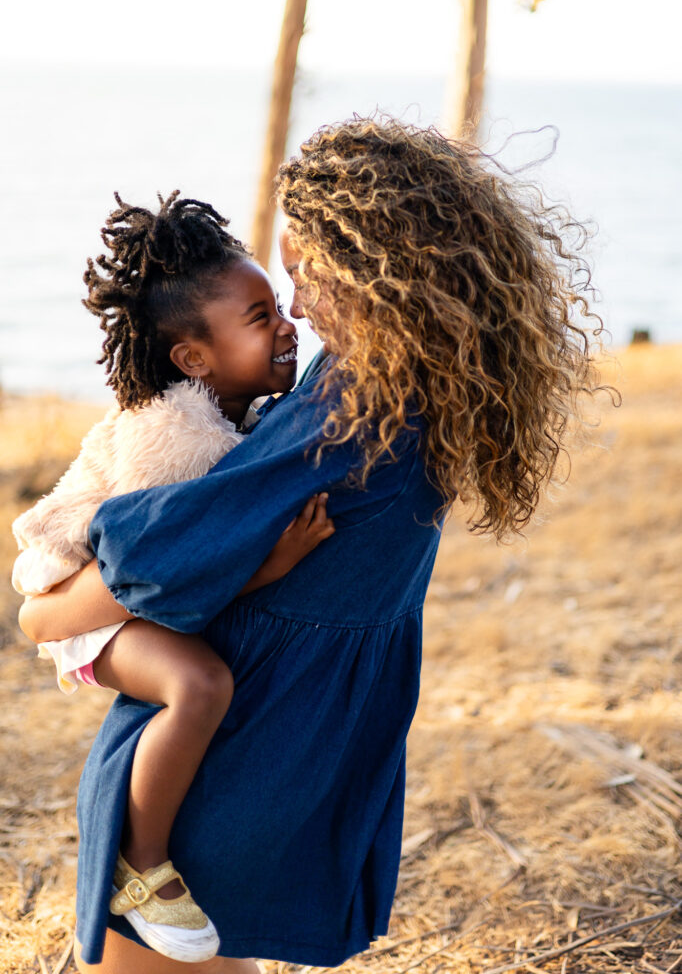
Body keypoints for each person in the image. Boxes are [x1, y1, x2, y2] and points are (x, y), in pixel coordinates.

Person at [19, 117, 609, 974]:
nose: (298, 307)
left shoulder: (345, 414)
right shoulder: (427, 388)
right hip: (291, 745)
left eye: (305, 276)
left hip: (239, 755)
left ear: (376, 270)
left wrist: (42, 615)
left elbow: (156, 553)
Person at [12, 191, 334, 964]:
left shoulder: (230, 411)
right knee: (200, 687)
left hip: (119, 599)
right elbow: (178, 572)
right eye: (261, 318)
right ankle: (143, 864)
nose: (288, 324)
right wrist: (276, 565)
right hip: (93, 612)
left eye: (278, 306)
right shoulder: (179, 439)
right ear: (194, 358)